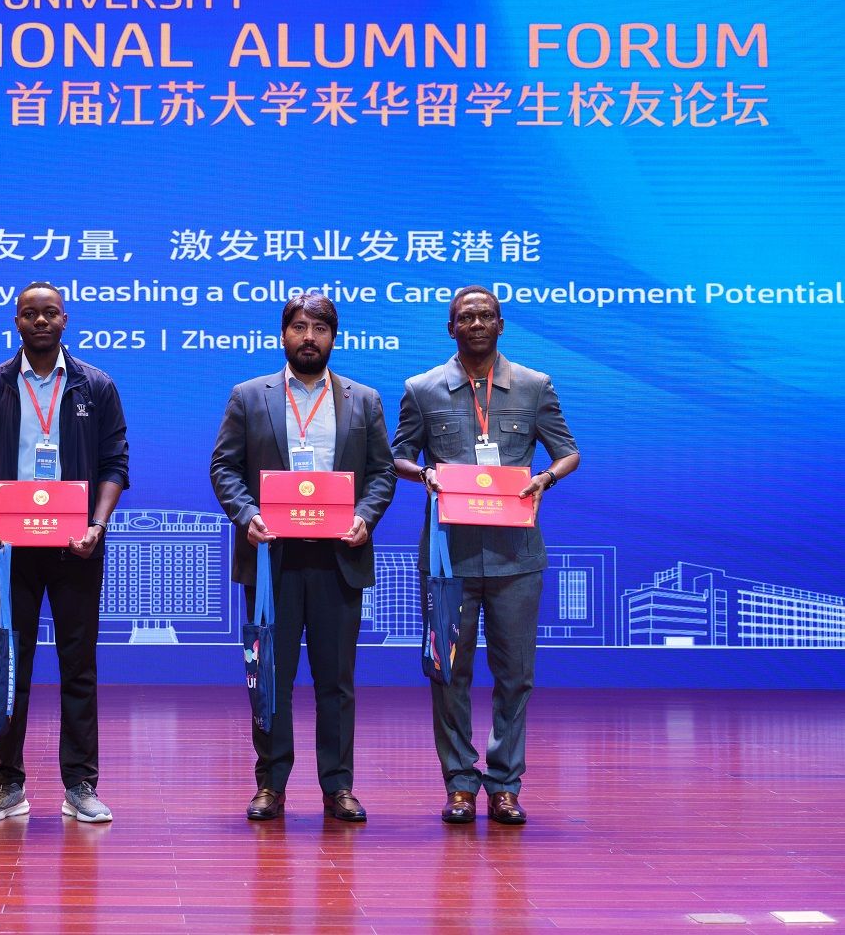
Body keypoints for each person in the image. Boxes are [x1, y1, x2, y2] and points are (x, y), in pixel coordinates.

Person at [392, 285, 580, 826]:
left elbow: (568, 452)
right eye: (465, 317)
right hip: (448, 559)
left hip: (516, 557)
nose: (476, 323)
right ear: (450, 328)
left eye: (485, 316)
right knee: (448, 673)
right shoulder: (422, 388)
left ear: (501, 325)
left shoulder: (535, 386)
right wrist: (424, 473)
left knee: (515, 675)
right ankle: (459, 783)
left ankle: (504, 785)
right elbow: (397, 455)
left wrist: (545, 478)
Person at [210, 294, 396, 823]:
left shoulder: (364, 399)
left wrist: (365, 517)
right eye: (298, 326)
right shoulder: (250, 396)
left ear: (334, 337)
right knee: (271, 677)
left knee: (336, 682)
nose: (308, 336)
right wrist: (247, 515)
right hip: (273, 561)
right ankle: (270, 784)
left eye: (319, 327)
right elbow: (224, 467)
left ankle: (338, 787)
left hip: (339, 558)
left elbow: (382, 472)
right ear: (283, 334)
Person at [0, 282, 129, 824]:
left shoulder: (95, 385)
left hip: (77, 547)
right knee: (11, 663)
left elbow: (115, 463)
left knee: (78, 665)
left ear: (64, 320)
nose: (40, 321)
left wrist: (97, 526)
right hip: (11, 549)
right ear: (16, 321)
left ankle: (81, 784)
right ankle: (6, 784)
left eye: (50, 313)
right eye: (30, 313)